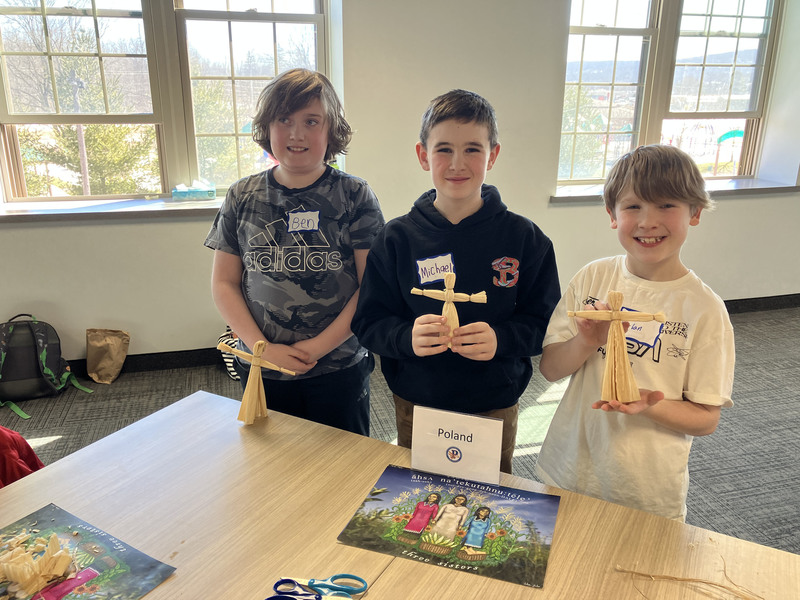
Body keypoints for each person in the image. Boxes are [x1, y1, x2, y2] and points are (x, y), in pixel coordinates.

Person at [352, 89, 560, 473]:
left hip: (494, 401)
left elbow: (544, 323)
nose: (457, 163)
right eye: (444, 149)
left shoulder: (525, 239)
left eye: (473, 150)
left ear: (493, 155)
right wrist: (404, 338)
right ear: (422, 155)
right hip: (418, 401)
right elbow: (368, 322)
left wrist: (501, 339)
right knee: (418, 496)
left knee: (488, 497)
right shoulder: (396, 238)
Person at [534, 144, 735, 521]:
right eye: (633, 207)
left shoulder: (704, 309)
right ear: (612, 214)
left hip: (644, 489)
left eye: (666, 206)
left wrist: (650, 403)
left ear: (694, 212)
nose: (648, 221)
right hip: (567, 468)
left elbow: (707, 418)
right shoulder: (593, 277)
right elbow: (550, 369)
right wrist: (586, 341)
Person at [204, 68, 384, 436]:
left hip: (338, 367)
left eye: (311, 121)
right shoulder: (242, 196)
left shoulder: (354, 195)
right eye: (284, 120)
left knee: (342, 470)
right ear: (267, 127)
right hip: (261, 365)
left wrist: (317, 347)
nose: (296, 133)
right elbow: (224, 283)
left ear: (331, 129)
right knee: (270, 468)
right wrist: (262, 348)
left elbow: (371, 287)